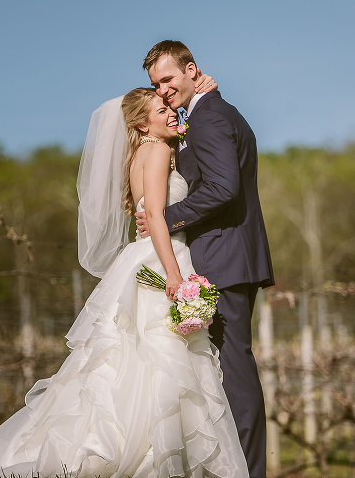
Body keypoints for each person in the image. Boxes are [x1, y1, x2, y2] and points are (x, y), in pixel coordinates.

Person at [0, 82, 250, 477]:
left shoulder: (145, 152)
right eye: (161, 111)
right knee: (161, 366)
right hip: (163, 258)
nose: (173, 113)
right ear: (142, 124)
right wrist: (174, 275)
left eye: (171, 107)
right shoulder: (156, 152)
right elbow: (155, 215)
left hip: (145, 258)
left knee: (138, 363)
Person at [136, 40, 274, 478]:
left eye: (169, 79)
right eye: (156, 84)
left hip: (225, 255)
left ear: (192, 69)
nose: (162, 90)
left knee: (234, 367)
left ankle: (248, 470)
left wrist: (163, 218)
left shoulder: (210, 116)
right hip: (226, 254)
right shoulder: (208, 112)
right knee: (221, 366)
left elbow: (222, 188)